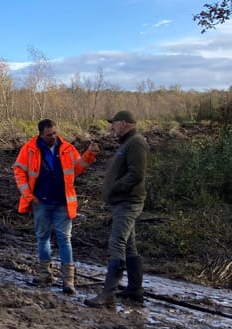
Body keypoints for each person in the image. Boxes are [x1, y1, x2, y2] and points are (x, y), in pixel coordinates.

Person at [13, 118, 99, 294]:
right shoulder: (29, 149)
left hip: (62, 202)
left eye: (54, 133)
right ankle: (45, 275)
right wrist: (28, 195)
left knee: (64, 239)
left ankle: (68, 281)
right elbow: (19, 170)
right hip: (41, 202)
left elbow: (77, 168)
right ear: (40, 134)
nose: (53, 137)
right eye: (49, 135)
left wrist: (90, 154)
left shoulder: (67, 148)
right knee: (42, 238)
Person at [85, 110, 149, 307]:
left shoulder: (136, 142)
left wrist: (115, 187)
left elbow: (136, 174)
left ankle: (108, 294)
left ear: (124, 123)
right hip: (122, 201)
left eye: (114, 123)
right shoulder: (127, 143)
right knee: (129, 244)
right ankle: (135, 289)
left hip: (128, 202)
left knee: (117, 243)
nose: (112, 127)